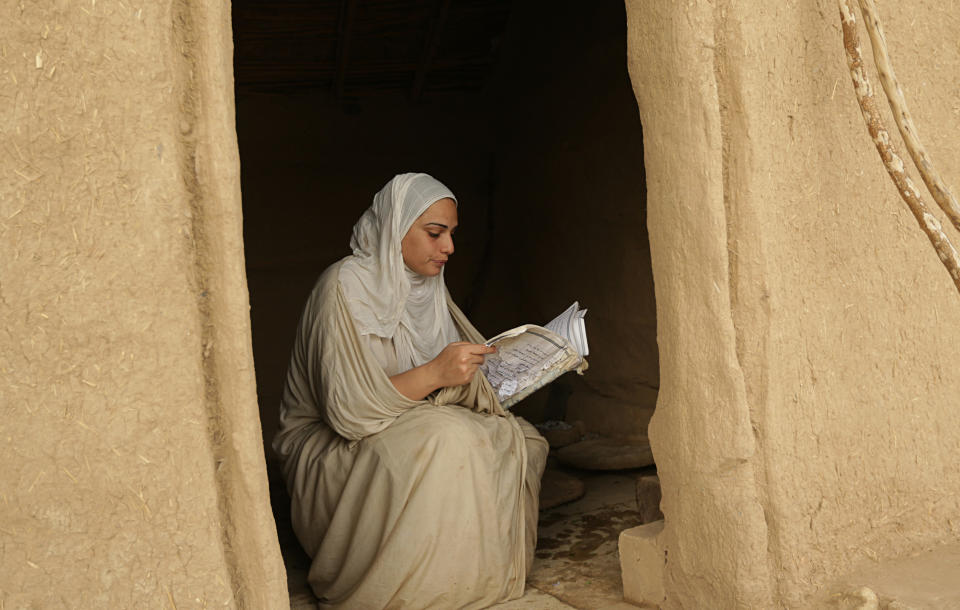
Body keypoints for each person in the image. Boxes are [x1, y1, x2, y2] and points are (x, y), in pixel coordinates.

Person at [273, 173, 549, 609]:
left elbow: (449, 388)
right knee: (446, 438)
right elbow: (350, 413)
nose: (449, 248)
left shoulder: (428, 287)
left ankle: (468, 580)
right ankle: (414, 591)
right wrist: (438, 373)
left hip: (407, 419)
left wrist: (494, 375)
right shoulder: (343, 287)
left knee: (522, 439)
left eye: (452, 235)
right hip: (332, 446)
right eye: (435, 233)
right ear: (393, 229)